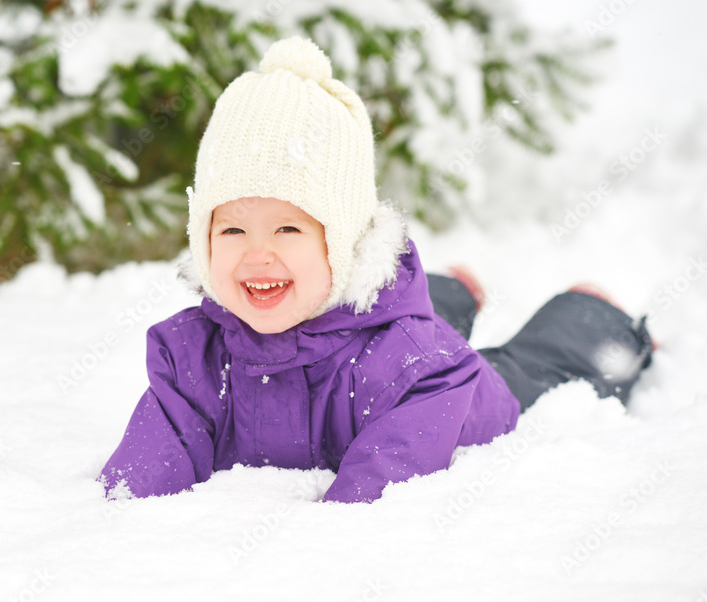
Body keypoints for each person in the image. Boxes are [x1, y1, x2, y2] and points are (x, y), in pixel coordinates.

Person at [97, 36, 653, 503]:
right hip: (384, 333)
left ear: (343, 243)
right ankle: (450, 291)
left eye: (288, 229)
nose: (256, 254)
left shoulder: (414, 364)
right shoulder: (191, 356)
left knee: (521, 369)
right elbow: (140, 481)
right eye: (232, 230)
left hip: (463, 389)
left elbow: (373, 508)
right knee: (407, 328)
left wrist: (338, 523)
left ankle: (587, 312)